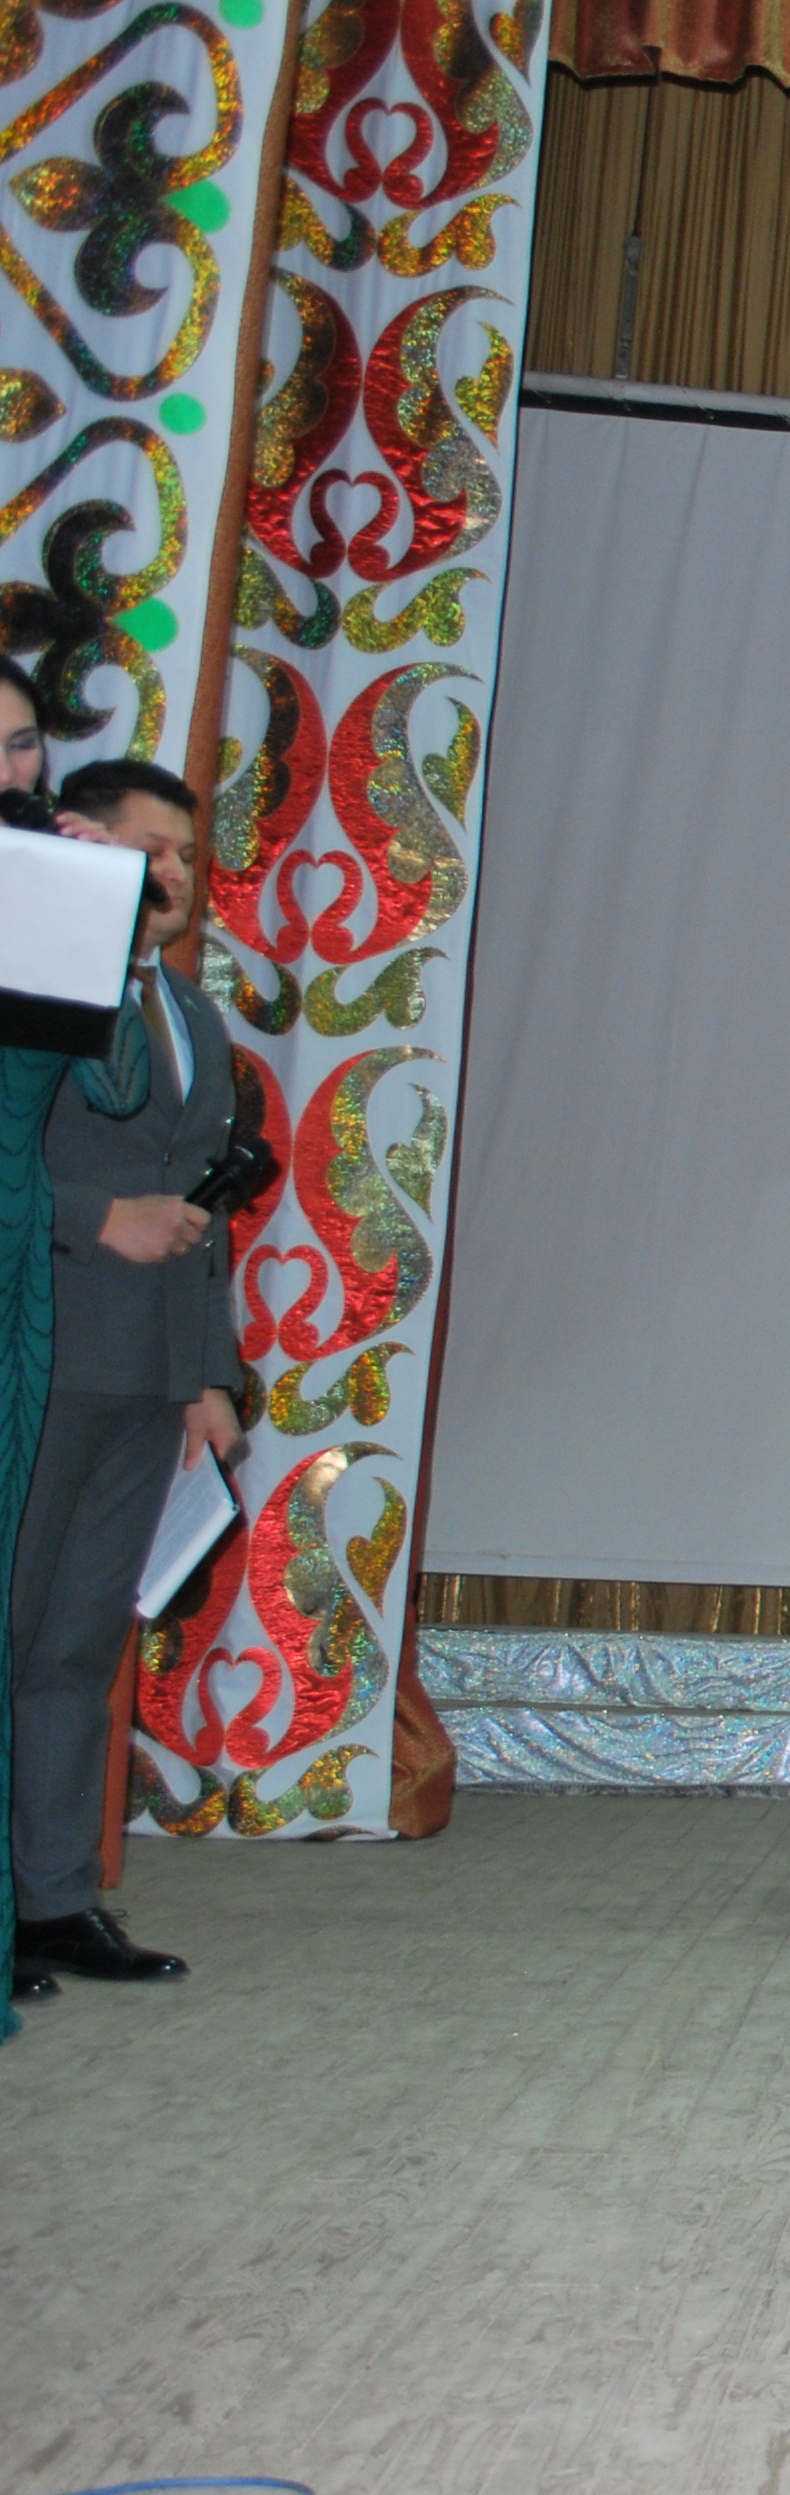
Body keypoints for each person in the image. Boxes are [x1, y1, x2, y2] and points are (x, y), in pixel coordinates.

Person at [10, 757, 239, 1993]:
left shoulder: (191, 1013)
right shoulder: (28, 991)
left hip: (146, 1378)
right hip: (37, 1357)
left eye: (187, 857)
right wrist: (99, 1217)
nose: (171, 878)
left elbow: (204, 1215)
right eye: (148, 851)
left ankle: (50, 1902)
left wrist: (211, 1380)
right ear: (74, 840)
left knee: (76, 1649)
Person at [2, 665, 137, 2028]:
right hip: (51, 1261)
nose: (13, 773)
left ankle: (37, 1894)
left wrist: (88, 911)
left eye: (27, 744)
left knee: (46, 1630)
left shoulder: (51, 895)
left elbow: (73, 1082)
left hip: (22, 1273)